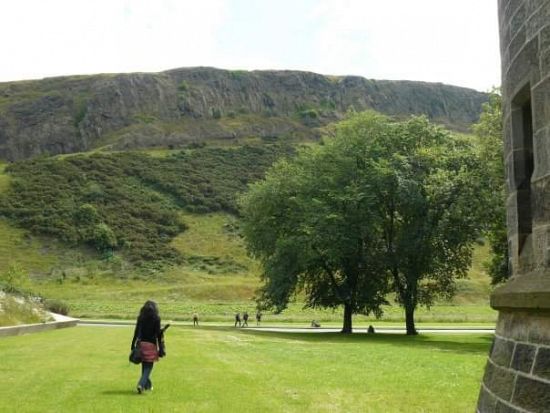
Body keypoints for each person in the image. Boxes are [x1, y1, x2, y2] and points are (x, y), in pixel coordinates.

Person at [131, 300, 164, 394]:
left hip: (141, 344)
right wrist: (161, 347)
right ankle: (141, 384)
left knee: (144, 366)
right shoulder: (156, 318)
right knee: (148, 368)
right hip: (151, 345)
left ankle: (148, 386)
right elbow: (158, 334)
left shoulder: (141, 317)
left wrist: (132, 344)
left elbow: (136, 331)